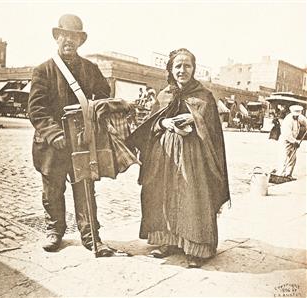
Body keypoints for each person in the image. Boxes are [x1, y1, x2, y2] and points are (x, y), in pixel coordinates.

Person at [128, 48, 230, 268]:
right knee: (164, 195)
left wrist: (194, 118)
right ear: (171, 69)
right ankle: (169, 242)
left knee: (192, 198)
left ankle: (197, 248)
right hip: (164, 155)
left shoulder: (204, 96)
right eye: (178, 66)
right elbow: (150, 124)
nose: (182, 70)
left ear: (194, 69)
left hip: (194, 157)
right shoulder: (164, 94)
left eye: (187, 66)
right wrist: (164, 123)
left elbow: (213, 130)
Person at [28, 14, 114, 256]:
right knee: (52, 189)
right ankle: (55, 231)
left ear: (80, 41)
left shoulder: (91, 70)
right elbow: (36, 108)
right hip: (52, 144)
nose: (69, 40)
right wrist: (54, 133)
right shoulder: (43, 70)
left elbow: (103, 97)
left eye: (74, 37)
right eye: (64, 35)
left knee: (85, 188)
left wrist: (94, 113)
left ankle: (90, 236)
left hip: (81, 142)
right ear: (57, 37)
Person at [275, 105, 307, 178]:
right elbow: (287, 134)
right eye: (295, 115)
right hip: (285, 141)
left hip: (293, 141)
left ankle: (288, 174)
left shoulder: (299, 117)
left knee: (292, 158)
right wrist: (295, 142)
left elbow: (304, 121)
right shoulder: (288, 120)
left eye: (297, 115)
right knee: (284, 157)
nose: (296, 116)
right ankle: (280, 174)